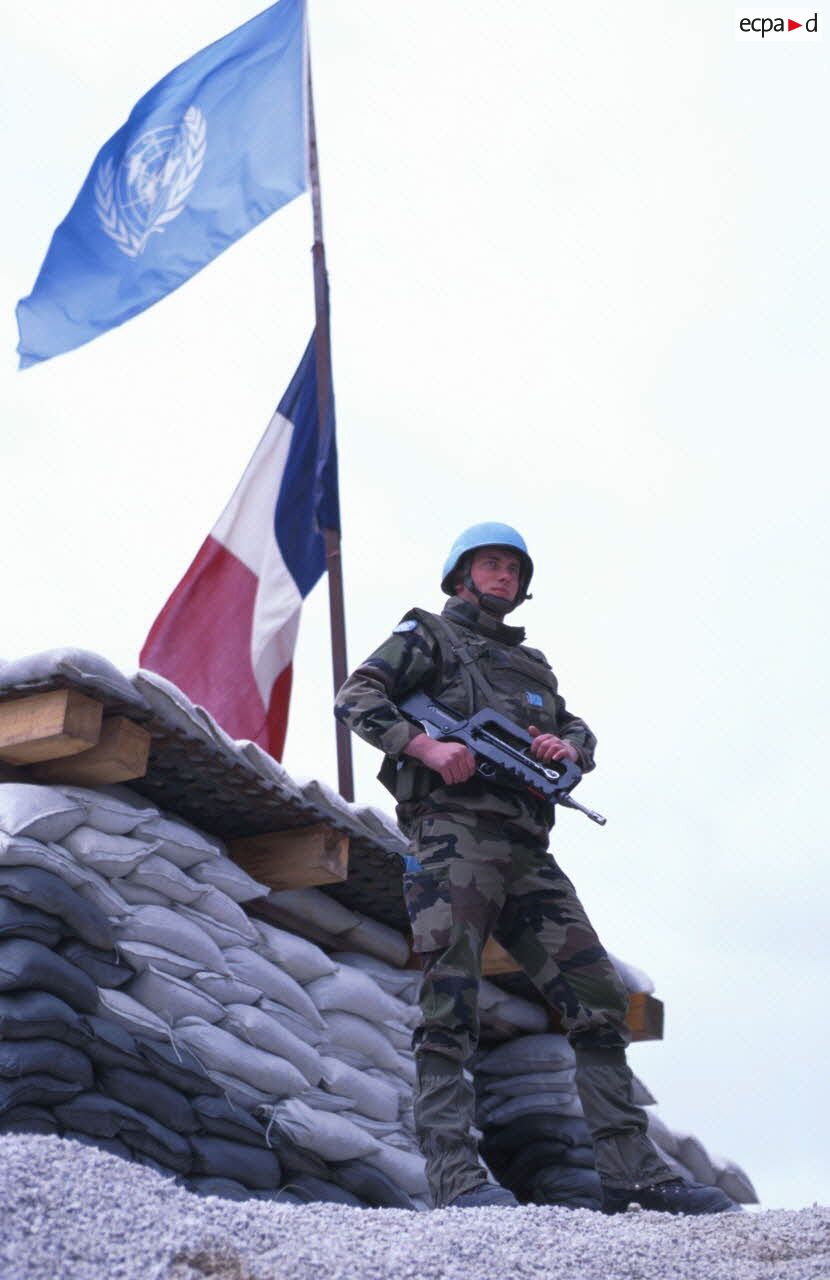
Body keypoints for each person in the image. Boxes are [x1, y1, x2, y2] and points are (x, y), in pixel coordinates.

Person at [334, 523, 734, 1215]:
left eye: (515, 569)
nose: (504, 576)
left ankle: (632, 1171)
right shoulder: (426, 633)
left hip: (527, 852)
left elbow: (580, 733)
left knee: (598, 998)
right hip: (452, 837)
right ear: (462, 573)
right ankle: (456, 1178)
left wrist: (565, 750)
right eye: (491, 564)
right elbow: (357, 695)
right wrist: (424, 748)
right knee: (451, 999)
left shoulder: (534, 667)